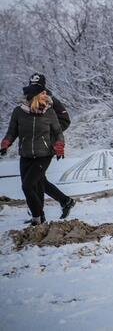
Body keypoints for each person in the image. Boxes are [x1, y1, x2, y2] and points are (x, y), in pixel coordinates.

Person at [1, 83, 65, 225]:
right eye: (42, 93)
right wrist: (6, 143)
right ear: (34, 96)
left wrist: (59, 146)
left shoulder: (49, 111)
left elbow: (58, 132)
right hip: (26, 155)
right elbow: (12, 131)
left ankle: (36, 219)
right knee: (30, 186)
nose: (46, 95)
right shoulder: (18, 111)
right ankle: (40, 217)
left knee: (27, 186)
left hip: (44, 154)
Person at [26, 74, 76, 220]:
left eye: (37, 85)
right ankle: (63, 202)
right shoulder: (29, 101)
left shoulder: (51, 101)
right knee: (38, 179)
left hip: (47, 145)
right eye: (32, 84)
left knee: (35, 180)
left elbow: (65, 120)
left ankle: (40, 213)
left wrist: (48, 131)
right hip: (31, 147)